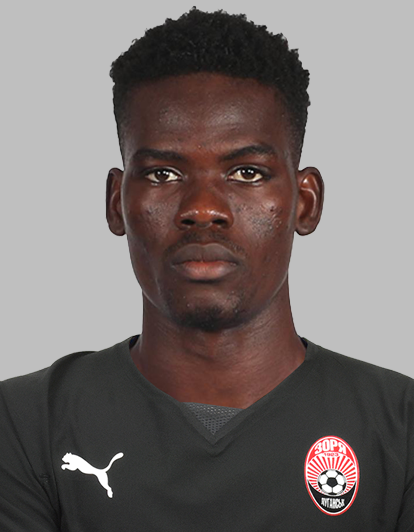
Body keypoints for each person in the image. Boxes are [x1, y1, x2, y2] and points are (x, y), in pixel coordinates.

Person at [0, 7, 412, 531]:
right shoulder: (25, 424)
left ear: (305, 203)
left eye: (247, 172)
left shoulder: (400, 428)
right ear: (115, 203)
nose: (202, 208)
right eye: (163, 173)